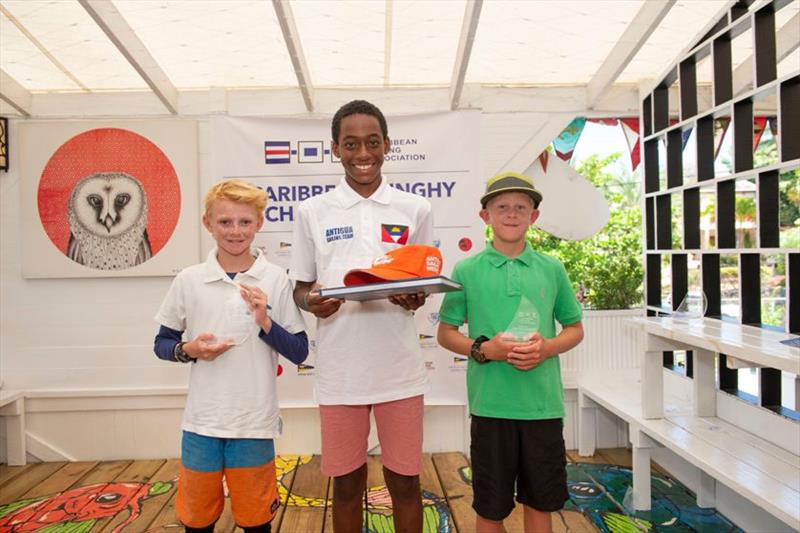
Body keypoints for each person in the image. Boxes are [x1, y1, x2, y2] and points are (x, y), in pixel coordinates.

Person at [289, 99, 433, 532]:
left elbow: (422, 280)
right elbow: (300, 286)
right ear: (335, 148)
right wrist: (311, 301)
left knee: (405, 484)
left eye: (372, 142)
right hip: (340, 373)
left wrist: (415, 297)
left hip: (399, 370)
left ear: (387, 144)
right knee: (347, 487)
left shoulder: (415, 209)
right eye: (351, 144)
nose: (363, 153)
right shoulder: (312, 212)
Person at [153, 179, 309, 533]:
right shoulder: (190, 280)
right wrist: (188, 350)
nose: (235, 231)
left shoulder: (275, 279)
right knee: (197, 522)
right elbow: (162, 343)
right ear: (208, 223)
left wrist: (265, 320)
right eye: (225, 222)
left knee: (256, 522)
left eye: (244, 222)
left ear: (259, 223)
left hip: (254, 425)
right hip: (201, 425)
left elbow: (299, 351)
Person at [437, 171, 584, 533]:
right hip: (490, 408)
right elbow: (445, 333)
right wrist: (485, 349)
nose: (512, 213)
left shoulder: (552, 268)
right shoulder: (467, 270)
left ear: (534, 216)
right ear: (485, 215)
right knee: (490, 508)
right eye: (501, 206)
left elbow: (574, 329)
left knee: (540, 503)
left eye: (521, 207)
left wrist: (546, 347)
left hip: (542, 408)